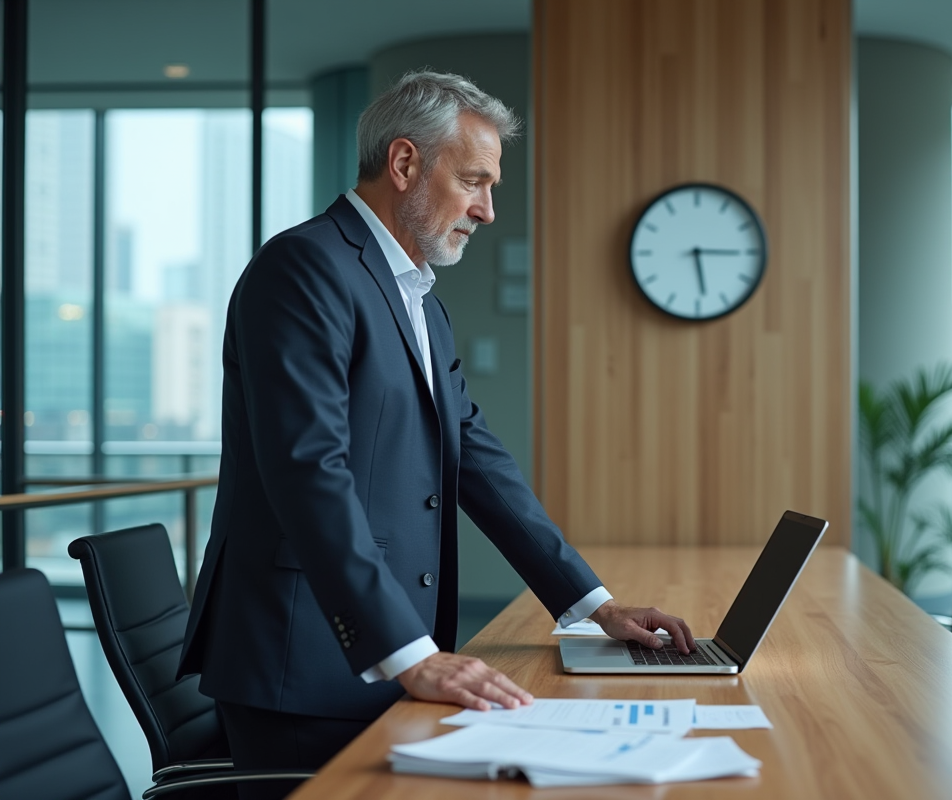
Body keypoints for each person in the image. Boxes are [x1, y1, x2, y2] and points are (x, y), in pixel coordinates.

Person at [178, 70, 696, 799]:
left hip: (379, 653)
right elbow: (308, 473)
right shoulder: (303, 269)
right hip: (304, 659)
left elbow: (476, 457)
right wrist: (405, 652)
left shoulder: (416, 293)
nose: (487, 210)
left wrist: (592, 605)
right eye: (475, 182)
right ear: (404, 164)